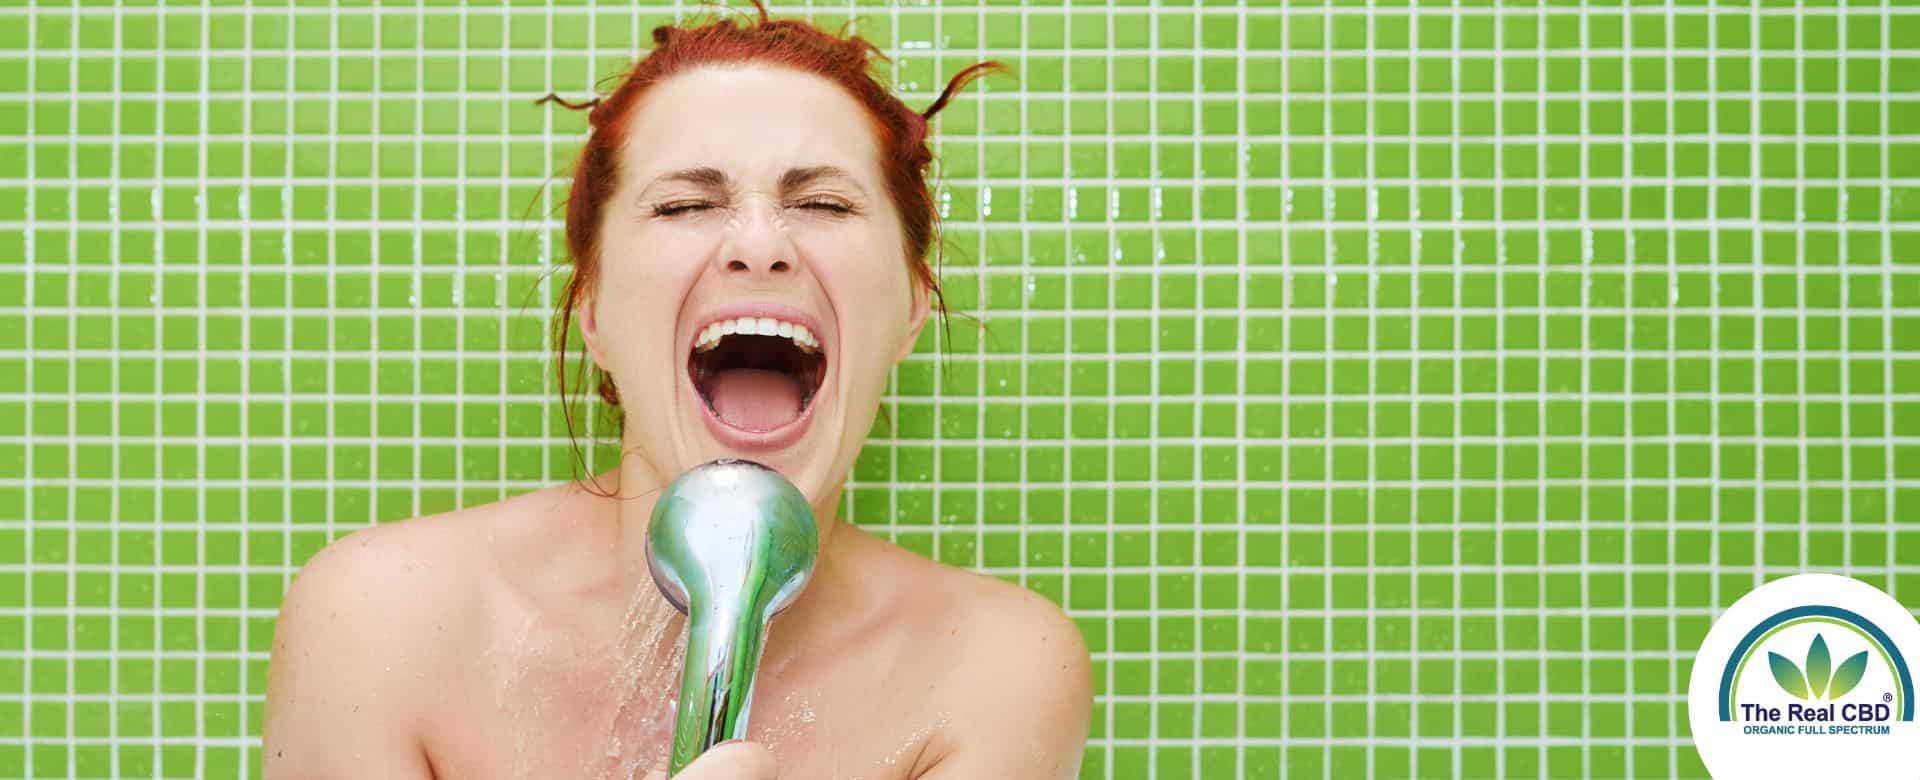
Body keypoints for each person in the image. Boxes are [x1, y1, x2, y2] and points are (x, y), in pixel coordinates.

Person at [259, 2, 1093, 778]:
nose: (759, 243)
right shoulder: (381, 624)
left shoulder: (991, 668)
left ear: (911, 309)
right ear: (592, 310)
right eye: (686, 204)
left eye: (826, 203)